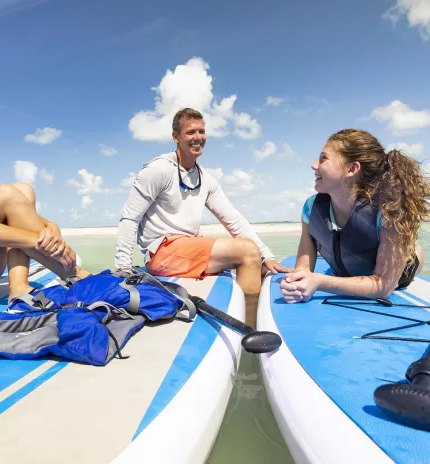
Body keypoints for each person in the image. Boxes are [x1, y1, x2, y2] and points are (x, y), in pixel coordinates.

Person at [115, 108, 290, 325]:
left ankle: (256, 313)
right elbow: (130, 218)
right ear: (175, 137)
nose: (198, 137)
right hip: (162, 252)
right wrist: (123, 267)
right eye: (190, 132)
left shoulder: (204, 178)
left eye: (201, 131)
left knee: (259, 263)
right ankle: (250, 326)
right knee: (247, 251)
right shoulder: (158, 169)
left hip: (189, 247)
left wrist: (267, 256)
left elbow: (232, 219)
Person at [0, 84, 89, 301]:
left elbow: (18, 207)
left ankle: (19, 287)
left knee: (22, 190)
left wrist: (49, 226)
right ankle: (76, 274)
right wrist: (39, 241)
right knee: (6, 194)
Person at [281, 129, 429, 304]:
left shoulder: (390, 210)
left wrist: (320, 281)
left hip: (400, 273)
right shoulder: (311, 208)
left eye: (323, 158)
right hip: (349, 268)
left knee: (406, 256)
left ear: (352, 168)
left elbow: (384, 287)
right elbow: (303, 268)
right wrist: (295, 282)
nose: (314, 165)